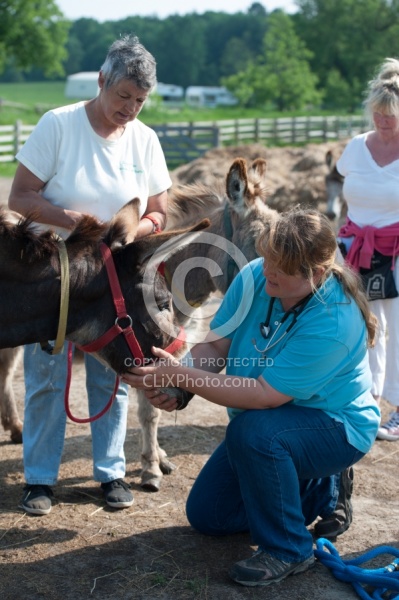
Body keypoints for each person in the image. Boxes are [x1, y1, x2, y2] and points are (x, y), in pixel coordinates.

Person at [122, 207, 380, 587]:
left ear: (318, 274)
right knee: (209, 515)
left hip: (335, 427)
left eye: (281, 266)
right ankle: (321, 491)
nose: (268, 270)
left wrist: (179, 374)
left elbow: (263, 396)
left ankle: (290, 549)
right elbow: (216, 347)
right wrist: (179, 387)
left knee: (254, 432)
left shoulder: (336, 319)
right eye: (268, 257)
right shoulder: (256, 275)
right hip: (271, 424)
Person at [8, 34, 172, 515]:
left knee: (115, 374)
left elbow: (160, 211)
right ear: (101, 81)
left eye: (140, 101)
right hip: (53, 274)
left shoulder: (145, 138)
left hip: (113, 278)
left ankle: (111, 471)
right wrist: (82, 226)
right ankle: (38, 479)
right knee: (46, 376)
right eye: (123, 96)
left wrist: (129, 232)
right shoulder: (58, 125)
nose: (131, 109)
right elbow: (21, 198)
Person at [337, 57, 399, 442]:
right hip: (357, 248)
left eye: (390, 115)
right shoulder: (356, 148)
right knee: (365, 325)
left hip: (396, 249)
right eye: (377, 113)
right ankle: (370, 398)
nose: (382, 121)